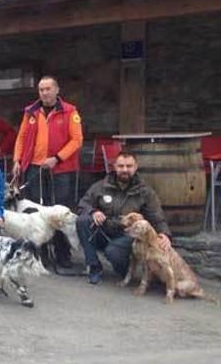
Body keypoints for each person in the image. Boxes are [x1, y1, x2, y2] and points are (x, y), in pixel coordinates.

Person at [13, 75, 83, 267]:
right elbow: (21, 137)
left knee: (60, 211)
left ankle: (63, 253)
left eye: (48, 89)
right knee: (36, 211)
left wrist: (57, 158)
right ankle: (39, 253)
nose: (44, 93)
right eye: (41, 89)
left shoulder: (70, 111)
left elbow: (77, 140)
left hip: (60, 169)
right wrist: (17, 160)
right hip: (34, 167)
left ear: (57, 90)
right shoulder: (31, 111)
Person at [76, 152, 172, 285]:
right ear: (114, 166)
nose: (125, 170)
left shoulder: (145, 191)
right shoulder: (100, 186)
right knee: (83, 221)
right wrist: (93, 211)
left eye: (129, 166)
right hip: (104, 231)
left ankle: (126, 271)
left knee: (113, 251)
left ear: (136, 167)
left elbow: (156, 216)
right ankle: (94, 267)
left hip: (128, 236)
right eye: (121, 166)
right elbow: (83, 205)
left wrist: (164, 234)